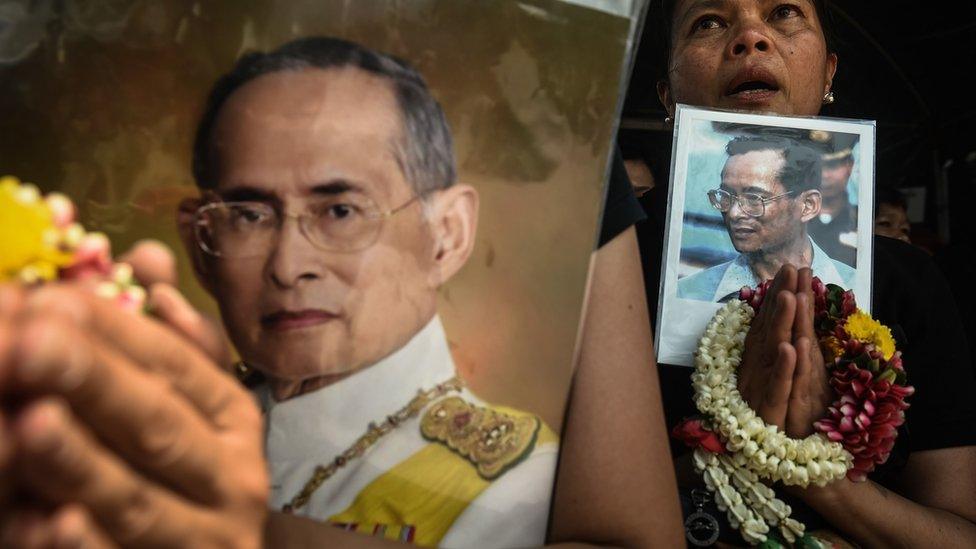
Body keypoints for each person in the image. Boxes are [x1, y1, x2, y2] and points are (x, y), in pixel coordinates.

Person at [0, 35, 685, 549]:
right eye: (247, 213)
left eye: (340, 211)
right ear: (198, 242)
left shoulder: (512, 483)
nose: (289, 264)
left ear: (447, 234)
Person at [645, 0, 976, 545]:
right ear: (667, 95)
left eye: (784, 14)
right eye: (708, 23)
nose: (750, 37)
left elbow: (958, 529)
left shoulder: (911, 283)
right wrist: (738, 432)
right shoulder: (605, 266)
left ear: (828, 74)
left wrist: (804, 463)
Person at [678, 132, 855, 302]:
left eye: (755, 199)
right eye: (725, 196)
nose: (733, 213)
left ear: (808, 205)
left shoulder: (856, 289)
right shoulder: (689, 293)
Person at [807, 131, 859, 266]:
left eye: (833, 165)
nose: (825, 175)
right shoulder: (790, 220)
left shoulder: (862, 221)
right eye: (817, 166)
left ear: (850, 165)